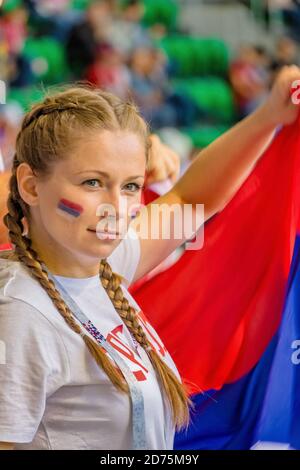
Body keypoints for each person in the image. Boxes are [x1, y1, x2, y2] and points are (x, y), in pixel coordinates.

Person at [0, 65, 299, 450]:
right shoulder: (20, 314)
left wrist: (270, 115)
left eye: (130, 187)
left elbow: (190, 200)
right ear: (29, 185)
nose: (117, 208)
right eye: (92, 182)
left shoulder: (102, 265)